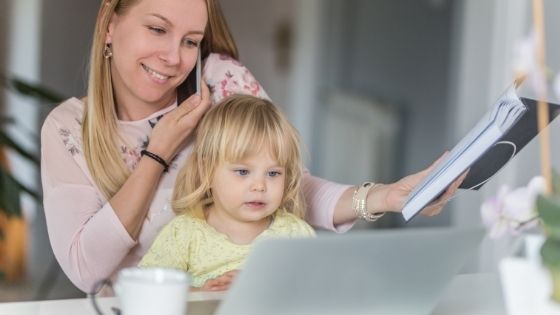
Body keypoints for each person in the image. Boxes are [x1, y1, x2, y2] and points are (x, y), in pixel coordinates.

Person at [40, 0, 462, 294]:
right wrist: (159, 152)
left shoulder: (220, 81)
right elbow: (86, 268)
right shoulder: (69, 128)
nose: (173, 56)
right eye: (157, 29)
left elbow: (289, 186)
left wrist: (385, 196)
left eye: (190, 41)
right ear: (109, 23)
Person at [139, 95, 315, 291]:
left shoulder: (295, 234)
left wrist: (263, 286)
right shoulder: (184, 233)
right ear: (207, 170)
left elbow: (316, 292)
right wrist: (201, 294)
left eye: (273, 173)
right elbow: (147, 288)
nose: (260, 186)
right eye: (242, 172)